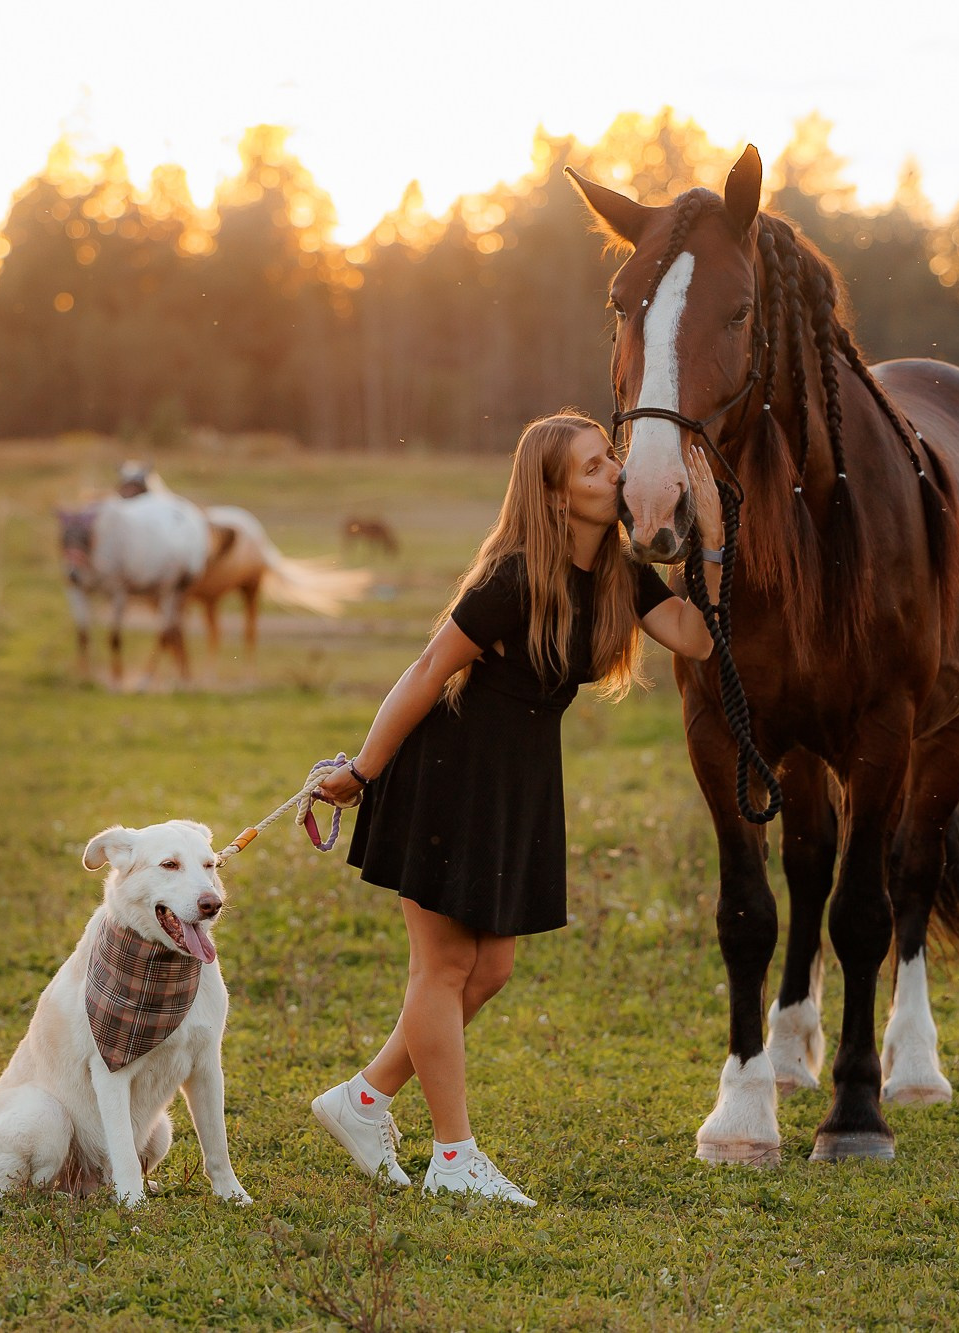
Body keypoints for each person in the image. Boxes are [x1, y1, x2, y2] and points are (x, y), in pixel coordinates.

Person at [309, 410, 723, 1205]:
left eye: (614, 457)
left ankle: (361, 1100)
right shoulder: (513, 577)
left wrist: (708, 539)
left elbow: (697, 638)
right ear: (558, 495)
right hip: (448, 771)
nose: (617, 470)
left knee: (489, 968)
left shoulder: (616, 574)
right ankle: (455, 1156)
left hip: (520, 782)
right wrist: (361, 771)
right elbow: (428, 669)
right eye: (597, 465)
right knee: (445, 966)